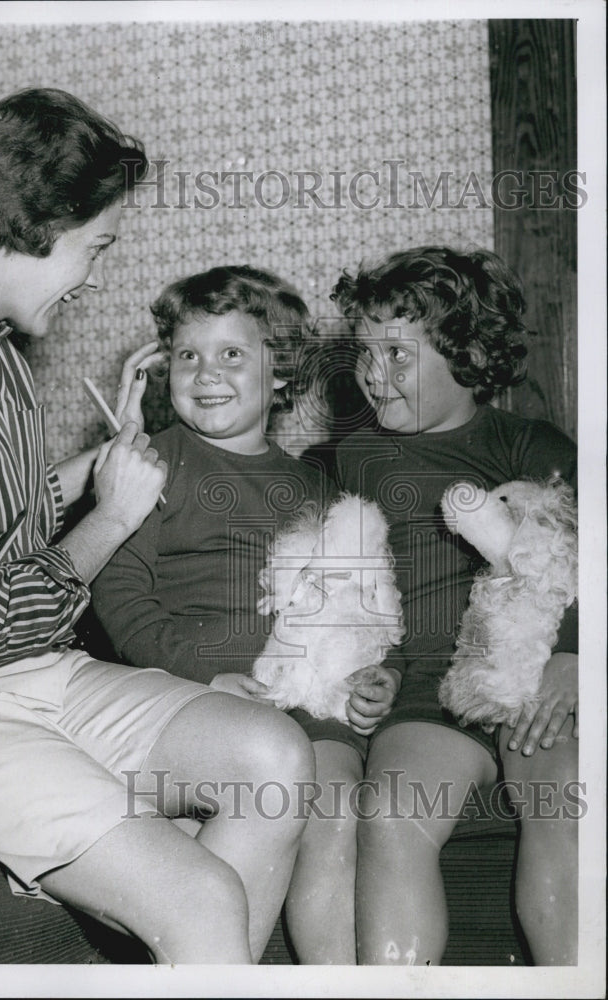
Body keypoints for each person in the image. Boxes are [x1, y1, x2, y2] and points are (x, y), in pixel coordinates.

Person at [0, 88, 317, 966]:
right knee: (199, 897)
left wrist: (97, 468)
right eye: (97, 244)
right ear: (38, 227)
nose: (97, 274)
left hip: (31, 668)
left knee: (274, 759)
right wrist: (111, 517)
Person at [91, 264, 401, 964]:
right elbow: (118, 595)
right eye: (188, 355)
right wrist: (207, 673)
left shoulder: (317, 486)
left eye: (232, 354)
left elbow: (352, 608)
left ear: (283, 372)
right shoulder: (156, 462)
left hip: (307, 705)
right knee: (254, 812)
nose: (206, 372)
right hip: (195, 696)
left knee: (335, 812)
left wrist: (371, 680)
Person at [331, 245, 578, 965]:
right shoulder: (353, 460)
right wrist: (358, 668)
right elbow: (335, 585)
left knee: (560, 796)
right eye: (364, 353)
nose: (374, 374)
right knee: (390, 813)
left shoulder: (532, 444)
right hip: (428, 693)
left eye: (397, 355)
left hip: (537, 681)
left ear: (466, 354)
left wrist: (573, 653)